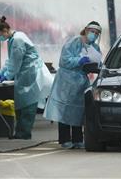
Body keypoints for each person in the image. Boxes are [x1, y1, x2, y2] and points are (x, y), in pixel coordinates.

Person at [44, 21, 102, 149]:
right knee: (64, 110)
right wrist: (79, 60)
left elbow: (98, 61)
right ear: (86, 30)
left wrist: (96, 67)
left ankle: (77, 139)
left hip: (81, 81)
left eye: (97, 33)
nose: (94, 35)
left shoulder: (95, 48)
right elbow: (64, 60)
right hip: (67, 80)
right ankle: (64, 139)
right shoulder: (74, 42)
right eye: (93, 32)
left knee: (78, 111)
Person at [0, 17, 53, 139]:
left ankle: (24, 133)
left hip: (30, 74)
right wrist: (1, 72)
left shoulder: (17, 40)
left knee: (28, 105)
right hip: (25, 74)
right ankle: (20, 132)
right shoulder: (15, 38)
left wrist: (7, 75)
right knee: (22, 104)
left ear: (4, 30)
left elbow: (15, 62)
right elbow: (11, 60)